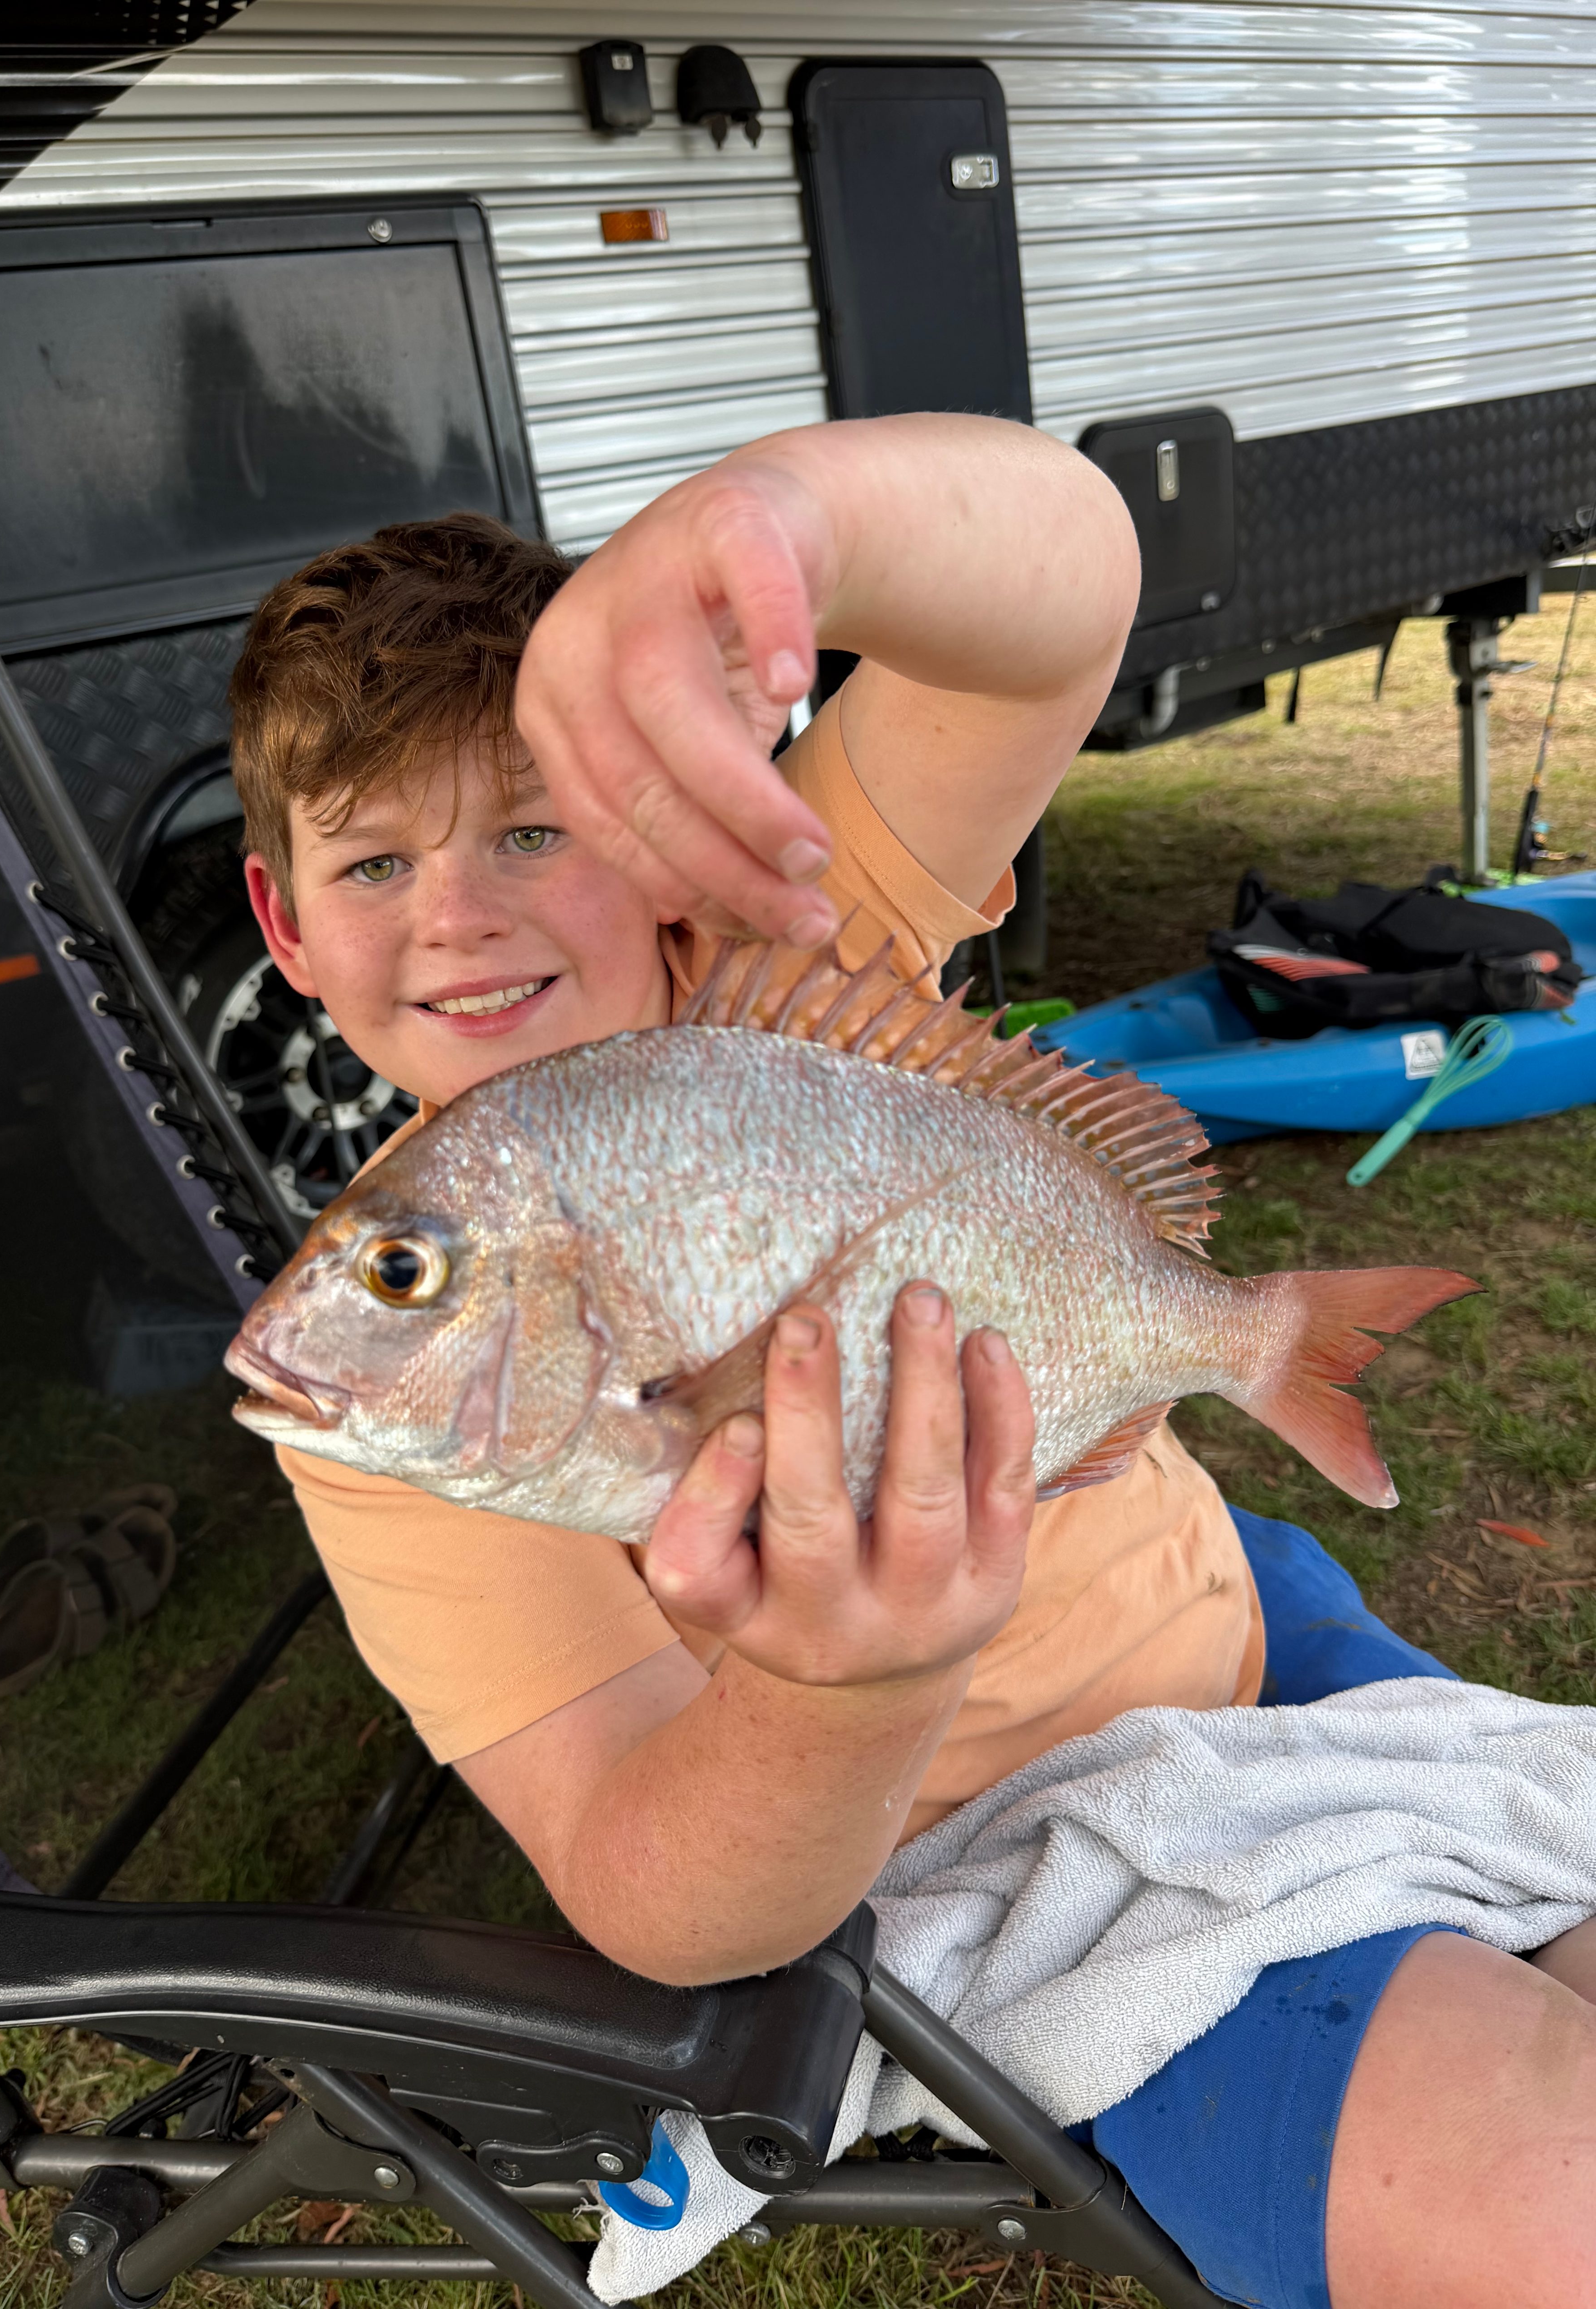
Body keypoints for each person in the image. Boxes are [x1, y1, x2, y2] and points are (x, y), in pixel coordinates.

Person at [229, 414, 1596, 2309]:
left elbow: (1060, 599)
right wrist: (850, 1683)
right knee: (1553, 2207)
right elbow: (641, 1875)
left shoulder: (798, 951)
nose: (460, 912)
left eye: (535, 826)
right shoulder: (384, 1423)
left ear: (658, 844)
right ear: (282, 925)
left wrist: (774, 518)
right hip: (1037, 1862)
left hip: (1261, 1622)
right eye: (373, 862)